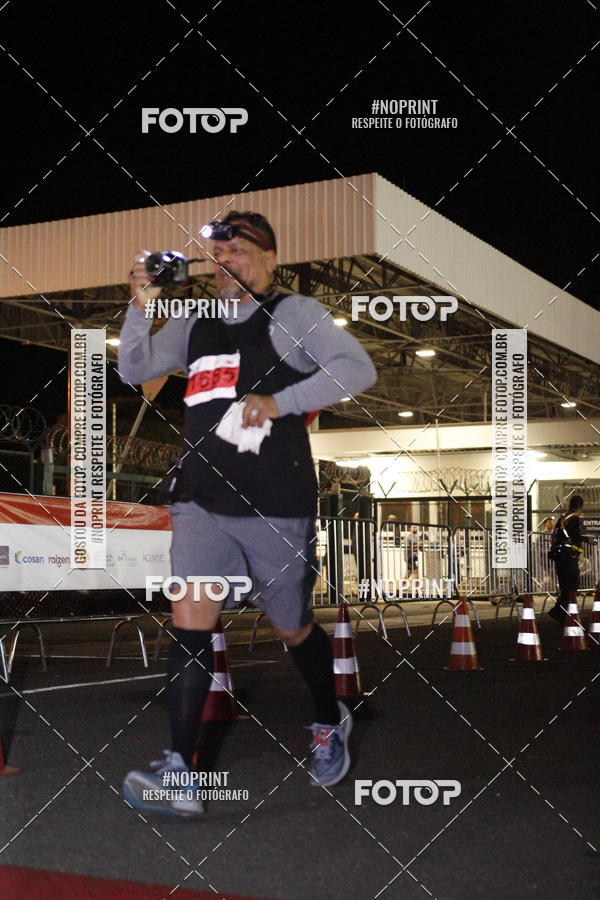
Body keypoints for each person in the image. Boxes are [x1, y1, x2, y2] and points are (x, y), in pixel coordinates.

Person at [118, 211, 377, 817]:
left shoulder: (294, 314)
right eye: (218, 253)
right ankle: (182, 775)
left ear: (269, 259)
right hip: (200, 498)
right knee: (191, 623)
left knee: (291, 626)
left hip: (274, 502)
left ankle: (328, 719)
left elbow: (357, 369)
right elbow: (133, 369)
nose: (224, 261)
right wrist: (140, 306)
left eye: (237, 250)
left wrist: (281, 402)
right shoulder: (196, 321)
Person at [548, 496, 593, 624]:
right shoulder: (573, 518)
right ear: (580, 506)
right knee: (573, 583)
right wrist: (587, 539)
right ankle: (558, 610)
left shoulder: (563, 517)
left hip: (559, 555)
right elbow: (574, 535)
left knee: (565, 586)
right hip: (567, 556)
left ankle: (562, 613)